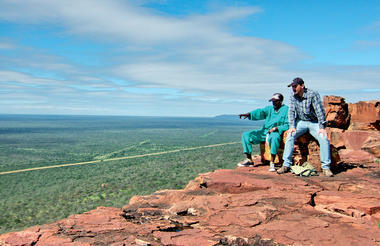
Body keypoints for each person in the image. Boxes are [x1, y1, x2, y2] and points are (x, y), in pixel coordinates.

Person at [277, 77, 334, 177]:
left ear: (302, 86)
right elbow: (291, 112)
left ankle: (326, 167)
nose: (293, 88)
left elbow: (319, 111)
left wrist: (322, 127)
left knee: (324, 139)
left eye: (295, 86)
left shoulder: (313, 94)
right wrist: (292, 126)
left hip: (314, 122)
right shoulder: (292, 96)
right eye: (292, 87)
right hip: (301, 122)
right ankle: (286, 165)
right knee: (290, 135)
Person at [238, 93, 289, 171]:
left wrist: (276, 128)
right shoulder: (269, 109)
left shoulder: (286, 110)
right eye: (272, 101)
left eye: (275, 101)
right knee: (246, 135)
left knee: (274, 138)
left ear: (280, 101)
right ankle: (249, 160)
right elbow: (260, 112)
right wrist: (249, 114)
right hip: (264, 132)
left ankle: (272, 163)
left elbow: (288, 124)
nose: (273, 103)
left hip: (275, 132)